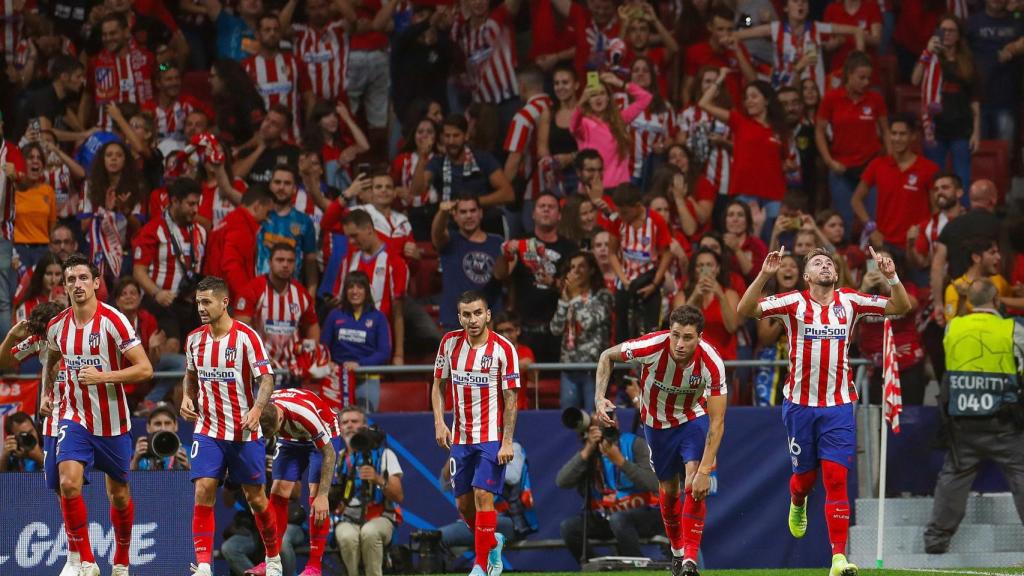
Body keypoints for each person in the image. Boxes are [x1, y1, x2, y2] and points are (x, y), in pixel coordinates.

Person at [737, 246, 910, 576]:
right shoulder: (793, 302)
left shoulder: (851, 300)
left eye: (829, 263)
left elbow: (901, 306)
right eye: (817, 263)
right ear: (806, 276)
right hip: (800, 406)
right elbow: (745, 309)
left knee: (835, 479)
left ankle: (839, 559)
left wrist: (892, 278)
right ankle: (798, 500)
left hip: (839, 406)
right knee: (805, 479)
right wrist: (764, 275)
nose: (825, 266)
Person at [593, 304, 728, 576]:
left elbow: (717, 422)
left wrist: (704, 470)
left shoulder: (711, 362)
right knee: (668, 491)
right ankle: (678, 553)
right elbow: (607, 355)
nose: (679, 343)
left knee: (693, 482)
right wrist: (599, 396)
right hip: (656, 424)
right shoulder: (653, 346)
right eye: (675, 335)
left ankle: (690, 561)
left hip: (693, 418)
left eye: (687, 337)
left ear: (699, 337)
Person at [42, 253, 154, 576]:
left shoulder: (114, 321)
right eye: (70, 280)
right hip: (74, 417)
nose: (77, 285)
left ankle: (120, 561)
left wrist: (102, 377)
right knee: (68, 482)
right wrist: (47, 394)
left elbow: (145, 369)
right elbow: (50, 360)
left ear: (95, 283)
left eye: (82, 279)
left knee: (118, 496)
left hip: (113, 423)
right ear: (64, 286)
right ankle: (87, 562)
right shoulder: (56, 327)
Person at [180, 276, 281, 576]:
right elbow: (190, 374)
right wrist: (187, 396)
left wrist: (257, 409)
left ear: (224, 302)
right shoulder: (194, 340)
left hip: (244, 431)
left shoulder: (246, 337)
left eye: (207, 301)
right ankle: (205, 566)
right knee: (204, 489)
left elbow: (267, 378)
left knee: (256, 498)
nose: (201, 307)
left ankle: (273, 558)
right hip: (208, 429)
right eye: (198, 302)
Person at [924, 278, 1024, 554]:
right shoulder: (1012, 328)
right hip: (1004, 421)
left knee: (953, 479)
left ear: (969, 302)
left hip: (963, 420)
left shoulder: (954, 327)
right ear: (996, 300)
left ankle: (935, 540)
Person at [432, 290, 520, 576]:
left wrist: (507, 442)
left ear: (488, 315)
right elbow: (438, 386)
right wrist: (438, 422)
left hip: (491, 437)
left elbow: (511, 399)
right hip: (460, 437)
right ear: (459, 317)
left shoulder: (504, 349)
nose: (472, 320)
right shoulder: (449, 344)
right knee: (464, 505)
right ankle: (491, 541)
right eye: (466, 314)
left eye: (478, 313)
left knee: (484, 495)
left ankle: (481, 565)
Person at [554, 415, 662, 566]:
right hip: (607, 517)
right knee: (569, 527)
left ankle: (637, 569)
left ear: (616, 422)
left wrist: (621, 462)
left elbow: (653, 483)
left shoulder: (634, 444)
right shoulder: (592, 451)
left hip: (644, 514)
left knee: (619, 519)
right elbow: (562, 481)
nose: (603, 426)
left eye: (607, 420)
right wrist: (587, 450)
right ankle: (597, 569)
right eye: (598, 423)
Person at [260, 387, 341, 576]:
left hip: (322, 435)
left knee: (315, 492)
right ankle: (272, 560)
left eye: (273, 432)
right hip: (291, 437)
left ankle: (314, 565)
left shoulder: (305, 414)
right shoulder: (259, 407)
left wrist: (323, 495)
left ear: (280, 419)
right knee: (278, 489)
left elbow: (329, 453)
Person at [494, 192, 578, 362]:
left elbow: (575, 288)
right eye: (542, 206)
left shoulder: (570, 248)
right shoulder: (521, 242)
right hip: (525, 329)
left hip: (557, 329)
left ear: (559, 215)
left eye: (551, 207)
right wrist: (505, 254)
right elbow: (499, 274)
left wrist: (552, 282)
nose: (546, 210)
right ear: (533, 214)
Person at [698, 76, 787, 234]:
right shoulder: (740, 121)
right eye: (746, 98)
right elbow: (704, 103)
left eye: (754, 96)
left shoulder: (779, 129)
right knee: (744, 243)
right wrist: (720, 79)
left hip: (774, 194)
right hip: (744, 192)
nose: (749, 101)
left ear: (766, 100)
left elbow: (784, 161)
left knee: (772, 247)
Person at [815, 51, 889, 234]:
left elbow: (886, 131)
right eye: (861, 77)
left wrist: (888, 159)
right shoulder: (831, 98)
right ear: (849, 75)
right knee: (844, 221)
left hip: (870, 167)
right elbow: (819, 131)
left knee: (873, 221)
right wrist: (829, 161)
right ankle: (847, 260)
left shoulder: (875, 99)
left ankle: (874, 262)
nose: (866, 82)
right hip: (842, 168)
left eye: (868, 78)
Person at [132, 177, 207, 354]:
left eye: (197, 204)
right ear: (174, 201)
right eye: (190, 204)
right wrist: (157, 293)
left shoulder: (200, 232)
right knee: (170, 347)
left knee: (198, 351)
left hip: (190, 305)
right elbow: (138, 270)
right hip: (161, 303)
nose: (196, 210)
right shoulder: (153, 230)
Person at [413, 114, 514, 237]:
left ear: (466, 136)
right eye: (447, 136)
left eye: (456, 136)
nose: (451, 141)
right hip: (451, 224)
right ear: (441, 138)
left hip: (483, 222)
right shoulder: (437, 162)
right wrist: (422, 158)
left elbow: (508, 194)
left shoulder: (483, 159)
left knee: (494, 216)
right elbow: (417, 190)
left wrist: (470, 205)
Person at [334, 405, 405, 576]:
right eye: (345, 422)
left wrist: (378, 479)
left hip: (381, 517)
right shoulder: (340, 458)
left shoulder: (385, 455)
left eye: (355, 421)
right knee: (346, 537)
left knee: (369, 532)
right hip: (349, 518)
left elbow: (399, 496)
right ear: (340, 428)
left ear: (364, 426)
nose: (350, 425)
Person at [852, 115, 938, 254]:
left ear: (913, 136)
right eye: (894, 134)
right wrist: (871, 229)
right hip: (883, 244)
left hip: (917, 245)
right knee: (873, 276)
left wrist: (927, 236)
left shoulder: (929, 169)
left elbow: (936, 210)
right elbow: (856, 200)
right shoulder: (877, 165)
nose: (897, 138)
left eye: (902, 134)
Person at [912, 15, 979, 188]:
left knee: (961, 179)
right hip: (935, 130)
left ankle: (961, 214)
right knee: (935, 179)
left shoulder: (968, 61)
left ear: (958, 35)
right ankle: (937, 215)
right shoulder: (931, 58)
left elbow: (975, 100)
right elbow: (915, 80)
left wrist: (976, 132)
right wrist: (926, 53)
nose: (947, 34)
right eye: (943, 30)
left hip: (961, 129)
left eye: (951, 30)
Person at [236, 243, 320, 369]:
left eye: (290, 261)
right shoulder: (252, 290)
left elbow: (313, 329)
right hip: (260, 366)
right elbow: (238, 331)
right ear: (270, 262)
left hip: (292, 369)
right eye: (280, 260)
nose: (285, 265)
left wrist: (307, 357)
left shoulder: (302, 294)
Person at [551, 251, 613, 411]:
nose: (575, 271)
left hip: (593, 368)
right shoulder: (569, 296)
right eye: (572, 267)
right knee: (570, 419)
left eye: (581, 266)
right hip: (568, 366)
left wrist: (575, 297)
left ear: (591, 270)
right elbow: (556, 329)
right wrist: (565, 302)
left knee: (594, 418)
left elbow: (588, 322)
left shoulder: (602, 296)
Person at [608, 184, 672, 341]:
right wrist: (624, 279)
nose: (620, 215)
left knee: (650, 332)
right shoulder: (617, 221)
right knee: (622, 332)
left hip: (649, 281)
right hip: (625, 282)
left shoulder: (656, 221)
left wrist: (655, 283)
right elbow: (611, 253)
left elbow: (667, 254)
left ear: (637, 207)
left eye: (624, 212)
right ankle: (624, 365)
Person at [321, 271, 393, 410]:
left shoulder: (378, 317)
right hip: (338, 377)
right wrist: (328, 362)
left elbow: (384, 352)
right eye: (350, 287)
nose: (355, 291)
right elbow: (324, 347)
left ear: (367, 291)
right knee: (336, 420)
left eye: (360, 287)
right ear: (345, 291)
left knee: (364, 424)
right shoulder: (334, 315)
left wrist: (359, 364)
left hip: (366, 376)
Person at [432, 195, 505, 333]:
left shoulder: (497, 242)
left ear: (481, 213)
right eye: (463, 212)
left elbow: (506, 279)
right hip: (455, 321)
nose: (469, 216)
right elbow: (437, 233)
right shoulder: (449, 241)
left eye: (473, 210)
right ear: (455, 215)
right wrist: (442, 213)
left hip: (489, 321)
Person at [571, 72, 652, 189]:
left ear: (608, 98)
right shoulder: (584, 123)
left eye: (602, 93)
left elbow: (645, 98)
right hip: (593, 188)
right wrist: (581, 101)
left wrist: (620, 83)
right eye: (593, 95)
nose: (598, 98)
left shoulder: (620, 119)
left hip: (620, 189)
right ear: (588, 100)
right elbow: (573, 126)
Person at [242, 13, 312, 142]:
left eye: (276, 29)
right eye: (267, 30)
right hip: (260, 141)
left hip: (293, 139)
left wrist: (308, 131)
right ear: (257, 34)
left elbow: (309, 98)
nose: (272, 34)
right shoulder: (246, 67)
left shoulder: (295, 62)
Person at [82, 12, 155, 130]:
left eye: (113, 33)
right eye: (104, 35)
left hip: (138, 132)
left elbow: (160, 69)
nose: (108, 38)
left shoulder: (146, 58)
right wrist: (81, 131)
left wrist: (165, 65)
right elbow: (87, 96)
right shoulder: (95, 63)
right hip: (106, 131)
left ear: (126, 32)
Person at [205, 183, 275, 302]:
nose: (267, 219)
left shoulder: (229, 220)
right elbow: (231, 264)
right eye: (267, 213)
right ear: (257, 206)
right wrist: (246, 297)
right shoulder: (241, 227)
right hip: (227, 300)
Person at [503, 64, 552, 233]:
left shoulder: (524, 116)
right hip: (559, 188)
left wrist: (503, 188)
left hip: (533, 192)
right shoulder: (558, 108)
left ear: (522, 86)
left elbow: (514, 159)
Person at [256, 166, 320, 297]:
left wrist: (311, 296)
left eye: (287, 183)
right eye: (277, 182)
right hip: (259, 292)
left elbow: (310, 262)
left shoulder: (304, 222)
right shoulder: (258, 216)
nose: (281, 187)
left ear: (294, 189)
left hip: (291, 296)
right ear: (270, 185)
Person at [674, 249, 740, 360]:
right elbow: (677, 329)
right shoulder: (682, 296)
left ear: (717, 269)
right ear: (694, 270)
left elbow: (732, 327)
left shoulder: (730, 295)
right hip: (691, 363)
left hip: (722, 363)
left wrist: (721, 296)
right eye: (700, 265)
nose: (705, 269)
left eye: (709, 265)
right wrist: (694, 297)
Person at [12, 142, 57, 270]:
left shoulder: (48, 191)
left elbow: (52, 226)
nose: (35, 161)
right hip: (18, 250)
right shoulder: (12, 189)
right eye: (31, 158)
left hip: (42, 250)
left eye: (39, 158)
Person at [130, 405, 190, 471]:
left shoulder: (189, 453)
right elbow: (125, 480)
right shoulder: (138, 453)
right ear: (148, 427)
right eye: (157, 424)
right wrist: (135, 461)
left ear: (176, 426)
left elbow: (200, 480)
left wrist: (188, 467)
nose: (163, 428)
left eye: (167, 423)